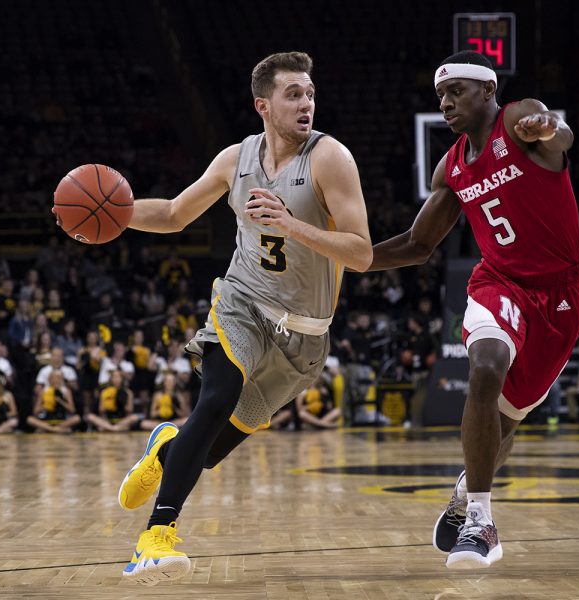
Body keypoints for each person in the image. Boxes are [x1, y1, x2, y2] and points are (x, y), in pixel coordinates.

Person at [95, 51, 371, 585]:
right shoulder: (235, 159)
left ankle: (165, 448)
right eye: (294, 94)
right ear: (262, 105)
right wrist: (118, 215)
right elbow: (176, 214)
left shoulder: (330, 158)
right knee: (216, 397)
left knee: (210, 449)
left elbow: (360, 253)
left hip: (305, 336)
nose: (306, 103)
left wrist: (294, 226)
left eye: (310, 93)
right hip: (242, 302)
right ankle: (156, 536)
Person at [369, 51, 579, 569]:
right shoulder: (452, 166)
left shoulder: (516, 120)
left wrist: (549, 127)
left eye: (456, 92)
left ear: (487, 92)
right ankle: (482, 521)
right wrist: (344, 260)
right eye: (440, 96)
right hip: (500, 282)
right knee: (486, 367)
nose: (446, 103)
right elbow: (417, 244)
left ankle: (468, 490)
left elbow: (561, 137)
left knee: (505, 425)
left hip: (561, 297)